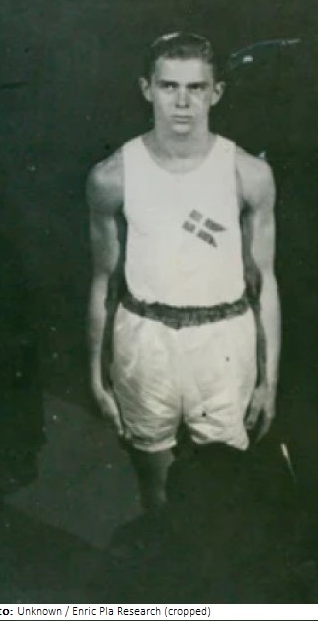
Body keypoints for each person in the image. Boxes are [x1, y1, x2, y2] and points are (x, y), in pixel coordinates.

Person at [87, 32, 280, 513]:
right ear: (147, 88)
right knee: (155, 488)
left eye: (195, 88)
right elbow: (103, 281)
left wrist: (269, 380)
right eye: (169, 86)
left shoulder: (248, 173)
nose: (182, 102)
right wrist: (95, 373)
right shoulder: (112, 176)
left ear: (216, 93)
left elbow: (264, 281)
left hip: (223, 340)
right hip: (145, 337)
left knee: (226, 492)